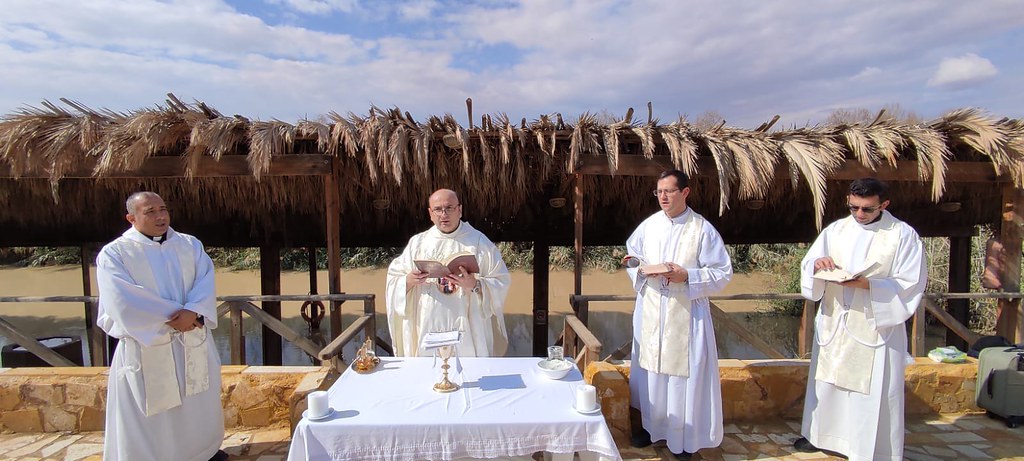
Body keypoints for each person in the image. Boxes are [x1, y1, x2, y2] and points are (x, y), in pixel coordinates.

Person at [794, 178, 927, 461]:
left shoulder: (902, 235)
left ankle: (865, 446)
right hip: (836, 320)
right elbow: (810, 263)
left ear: (884, 204)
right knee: (828, 381)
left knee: (870, 390)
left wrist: (869, 285)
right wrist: (818, 265)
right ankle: (821, 436)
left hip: (874, 324)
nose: (859, 215)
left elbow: (911, 283)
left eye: (867, 209)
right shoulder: (836, 230)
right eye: (854, 207)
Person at [96, 192, 227, 461]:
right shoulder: (115, 253)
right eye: (151, 211)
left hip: (191, 341)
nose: (160, 216)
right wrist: (175, 317)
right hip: (149, 345)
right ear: (131, 218)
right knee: (152, 413)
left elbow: (205, 280)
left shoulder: (189, 245)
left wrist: (193, 312)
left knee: (197, 404)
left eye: (163, 209)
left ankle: (203, 453)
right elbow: (121, 298)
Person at [625, 170, 733, 461]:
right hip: (652, 312)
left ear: (685, 192)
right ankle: (650, 428)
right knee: (651, 374)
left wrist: (688, 276)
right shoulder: (648, 226)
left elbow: (723, 273)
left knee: (680, 377)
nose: (663, 197)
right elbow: (632, 257)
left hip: (686, 314)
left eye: (669, 191)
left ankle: (681, 438)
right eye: (659, 191)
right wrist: (638, 267)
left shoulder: (703, 230)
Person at [386, 189, 511, 357]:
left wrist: (475, 285)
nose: (443, 214)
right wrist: (408, 281)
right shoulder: (418, 244)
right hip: (427, 323)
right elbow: (394, 280)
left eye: (449, 208)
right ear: (430, 213)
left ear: (460, 210)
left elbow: (501, 281)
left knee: (469, 376)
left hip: (468, 325)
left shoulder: (480, 243)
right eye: (438, 209)